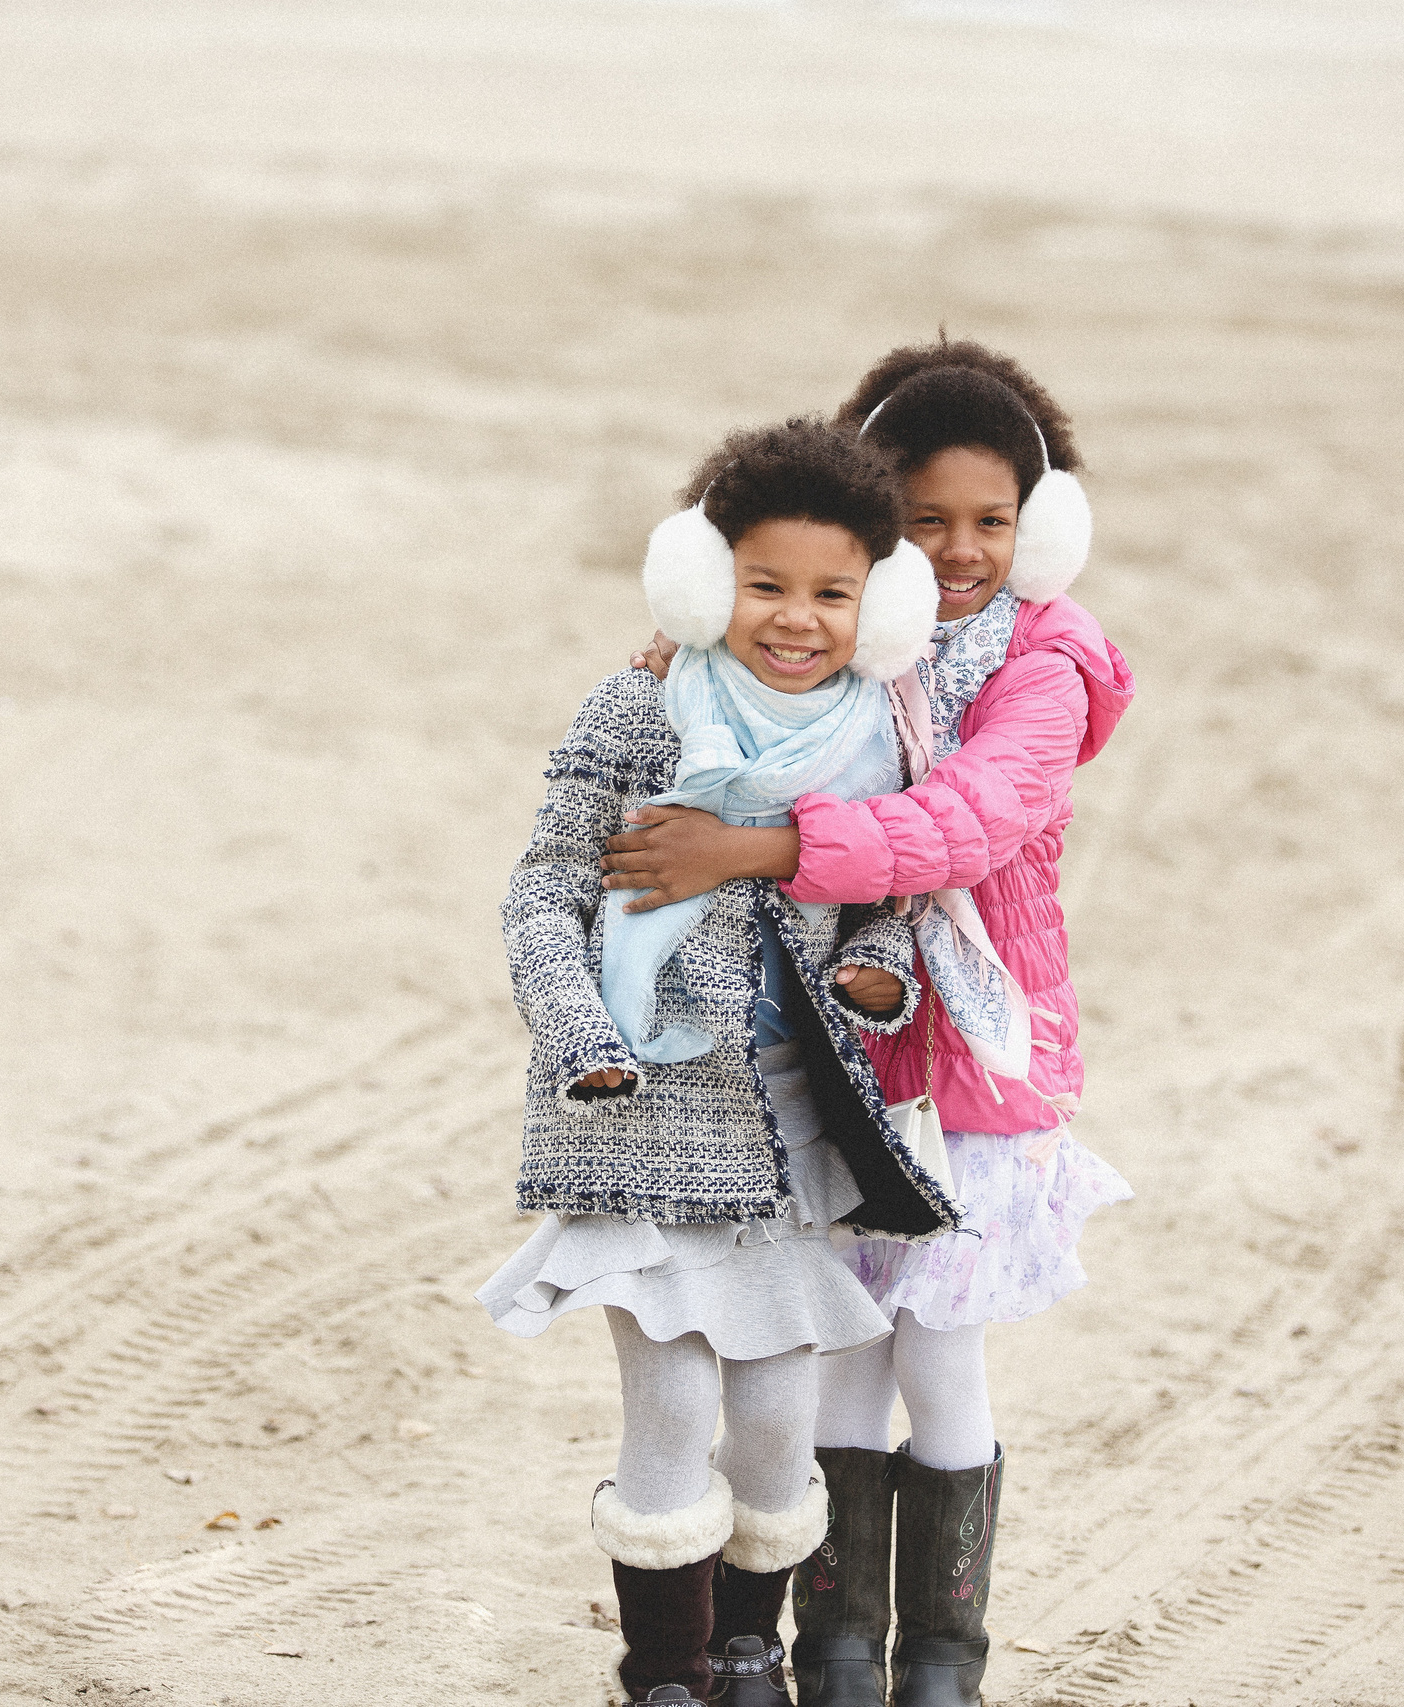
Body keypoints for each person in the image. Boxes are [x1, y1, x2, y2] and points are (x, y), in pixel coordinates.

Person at [604, 342, 1136, 1707]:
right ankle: (831, 1646)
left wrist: (758, 848)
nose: (960, 550)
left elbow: (959, 822)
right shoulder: (860, 649)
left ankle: (942, 1657)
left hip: (965, 1068)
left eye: (993, 521)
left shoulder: (1047, 664)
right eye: (925, 520)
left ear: (1044, 523)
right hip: (848, 1072)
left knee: (942, 1361)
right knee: (841, 1350)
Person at [477, 417, 964, 1707]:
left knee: (771, 1424)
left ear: (882, 603)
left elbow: (882, 904)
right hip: (641, 1111)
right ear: (704, 582)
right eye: (763, 587)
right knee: (674, 1408)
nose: (795, 619)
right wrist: (582, 1032)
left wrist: (880, 975)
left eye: (831, 594)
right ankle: (667, 1674)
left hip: (794, 1129)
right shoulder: (638, 707)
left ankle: (755, 1642)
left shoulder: (877, 737)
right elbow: (543, 893)